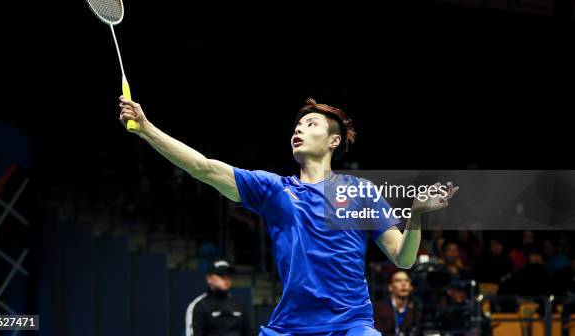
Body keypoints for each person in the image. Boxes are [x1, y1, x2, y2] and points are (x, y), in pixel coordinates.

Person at [118, 97, 458, 335]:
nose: (298, 129)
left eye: (310, 124)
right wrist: (146, 128)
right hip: (291, 326)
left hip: (351, 325)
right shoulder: (273, 189)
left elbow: (404, 257)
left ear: (333, 141)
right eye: (297, 124)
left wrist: (415, 218)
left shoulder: (360, 191)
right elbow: (203, 168)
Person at [186, 259, 253, 336]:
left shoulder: (239, 305)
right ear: (209, 279)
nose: (226, 279)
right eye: (221, 275)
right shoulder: (198, 306)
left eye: (228, 275)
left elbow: (250, 333)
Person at [374, 270, 419, 336]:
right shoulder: (378, 309)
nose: (403, 284)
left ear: (411, 287)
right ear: (390, 287)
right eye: (398, 281)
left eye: (406, 280)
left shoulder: (416, 311)